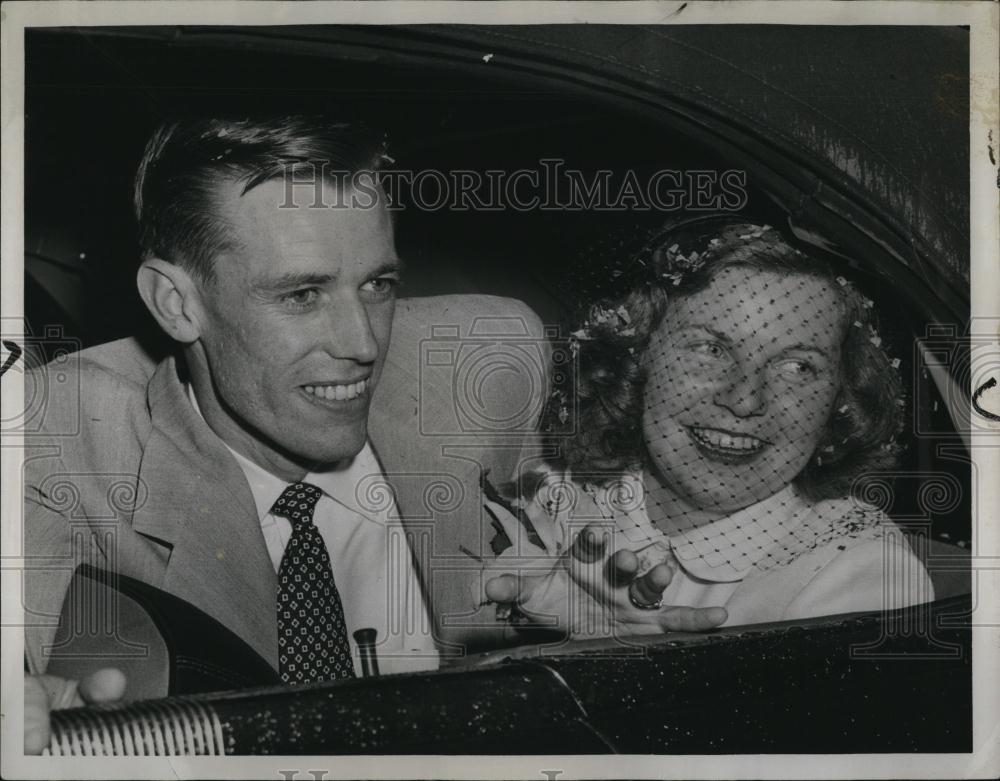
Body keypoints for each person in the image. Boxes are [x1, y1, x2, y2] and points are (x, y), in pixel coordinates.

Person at [22, 116, 724, 753]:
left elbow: (571, 573)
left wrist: (590, 654)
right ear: (176, 303)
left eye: (378, 284)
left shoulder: (489, 364)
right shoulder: (57, 442)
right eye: (302, 295)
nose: (362, 345)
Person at [481, 215, 934, 637]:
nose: (745, 399)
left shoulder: (865, 577)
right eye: (710, 349)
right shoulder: (551, 491)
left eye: (797, 367)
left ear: (841, 397)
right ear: (637, 359)